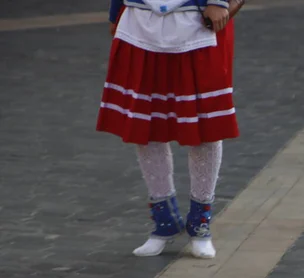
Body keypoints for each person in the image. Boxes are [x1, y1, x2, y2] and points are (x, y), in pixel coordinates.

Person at [97, 0, 238, 258]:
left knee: (205, 126)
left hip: (198, 19)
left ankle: (200, 223)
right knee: (147, 124)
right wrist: (116, 10)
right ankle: (164, 221)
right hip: (140, 20)